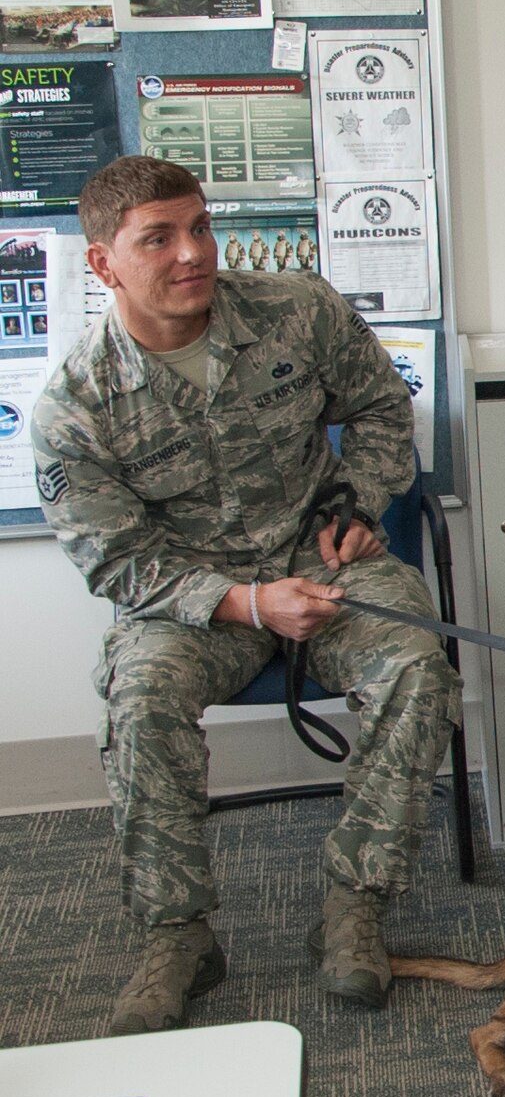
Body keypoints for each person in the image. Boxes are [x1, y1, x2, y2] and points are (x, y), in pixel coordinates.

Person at [30, 156, 462, 1034]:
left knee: (417, 657)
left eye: (200, 227)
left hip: (325, 564)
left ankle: (355, 906)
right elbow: (117, 563)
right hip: (193, 601)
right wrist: (248, 605)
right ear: (103, 263)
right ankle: (177, 935)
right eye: (159, 238)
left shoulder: (295, 310)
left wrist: (357, 500)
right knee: (138, 692)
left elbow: (383, 408)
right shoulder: (75, 406)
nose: (193, 253)